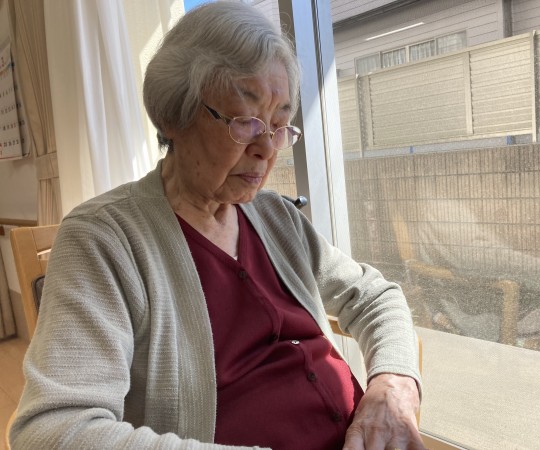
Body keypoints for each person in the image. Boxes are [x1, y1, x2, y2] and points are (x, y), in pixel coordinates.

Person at [10, 3, 424, 449]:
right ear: (174, 115)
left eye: (279, 125)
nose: (267, 148)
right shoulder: (104, 240)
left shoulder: (276, 216)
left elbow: (375, 296)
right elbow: (52, 430)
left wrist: (393, 385)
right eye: (245, 121)